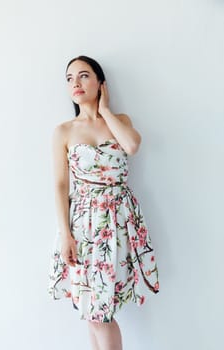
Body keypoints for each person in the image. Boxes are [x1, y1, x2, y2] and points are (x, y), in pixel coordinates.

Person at [47, 55, 160, 350]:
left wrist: (105, 110)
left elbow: (133, 146)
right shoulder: (64, 131)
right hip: (83, 224)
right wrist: (65, 236)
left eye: (84, 76)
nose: (76, 83)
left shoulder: (120, 121)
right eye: (70, 79)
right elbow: (60, 185)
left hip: (118, 223)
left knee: (101, 310)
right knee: (93, 310)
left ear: (100, 82)